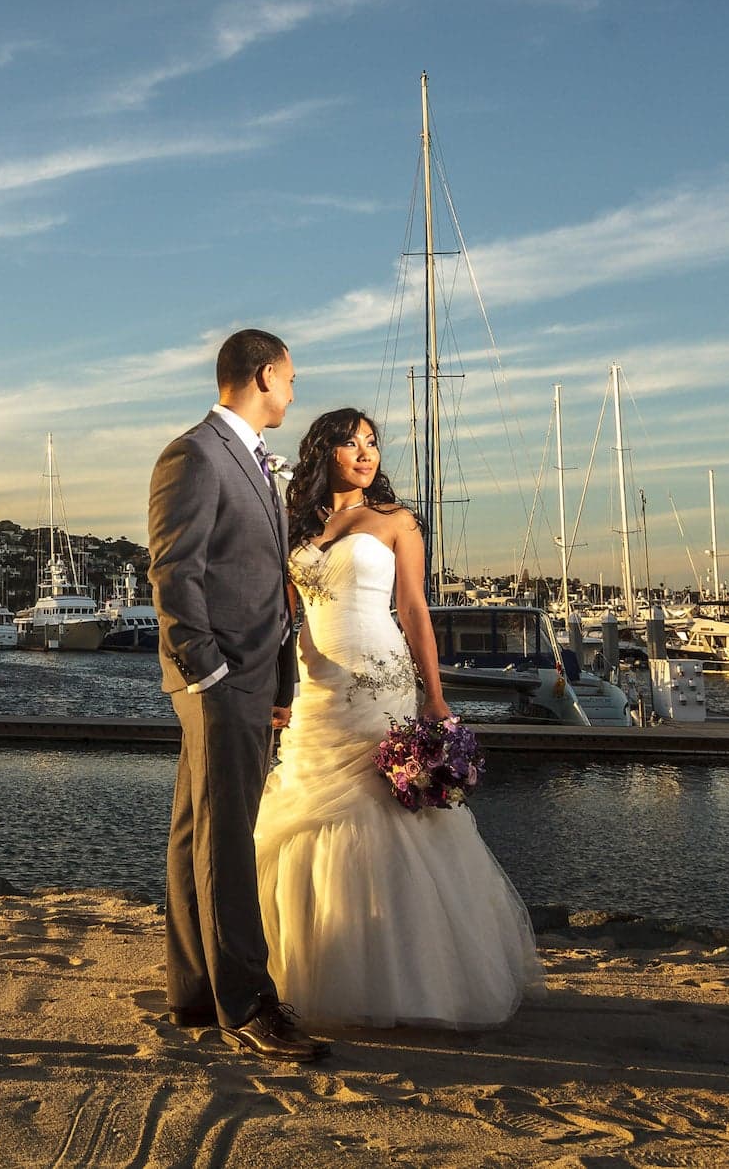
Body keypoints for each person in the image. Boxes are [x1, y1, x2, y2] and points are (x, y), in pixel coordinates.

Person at [255, 407, 540, 1030]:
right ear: (323, 450)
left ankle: (413, 977)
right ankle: (308, 966)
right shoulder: (292, 525)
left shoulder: (395, 521)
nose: (366, 452)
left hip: (381, 677)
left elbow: (413, 609)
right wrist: (279, 690)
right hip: (316, 684)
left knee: (385, 810)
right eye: (352, 442)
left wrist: (434, 698)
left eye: (373, 443)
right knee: (310, 808)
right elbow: (283, 620)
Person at [148, 329, 323, 1062]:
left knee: (197, 829)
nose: (292, 392)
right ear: (262, 374)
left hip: (250, 675)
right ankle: (248, 1002)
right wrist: (209, 671)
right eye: (288, 379)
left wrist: (273, 675)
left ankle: (194, 990)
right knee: (228, 839)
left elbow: (261, 575)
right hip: (218, 680)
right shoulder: (193, 454)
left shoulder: (252, 459)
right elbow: (173, 571)